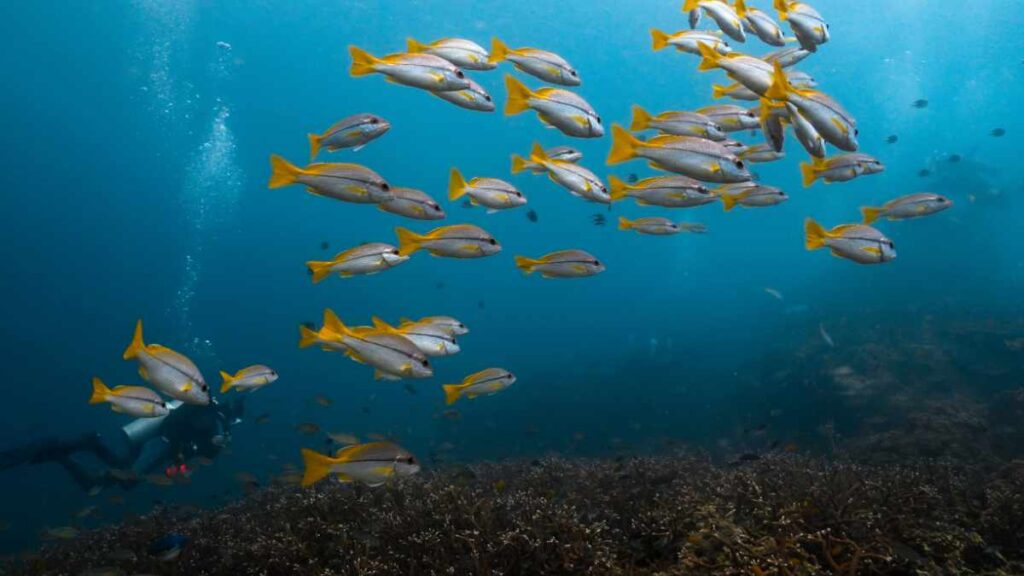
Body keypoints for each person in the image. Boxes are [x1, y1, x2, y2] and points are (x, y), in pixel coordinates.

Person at [0, 397, 244, 492]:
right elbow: (196, 446)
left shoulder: (205, 411)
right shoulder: (217, 423)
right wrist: (182, 457)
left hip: (151, 438)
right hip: (159, 444)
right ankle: (64, 455)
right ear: (234, 415)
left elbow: (182, 431)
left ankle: (91, 444)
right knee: (121, 480)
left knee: (121, 467)